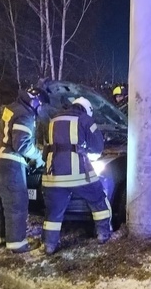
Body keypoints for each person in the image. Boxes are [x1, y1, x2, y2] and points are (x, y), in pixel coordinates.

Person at [41, 97, 112, 255]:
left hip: (53, 176)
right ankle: (103, 234)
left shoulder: (54, 119)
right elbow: (97, 148)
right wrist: (88, 155)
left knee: (54, 212)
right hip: (78, 175)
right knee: (98, 199)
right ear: (86, 109)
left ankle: (49, 245)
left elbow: (48, 146)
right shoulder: (85, 119)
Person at [0, 86, 45, 253]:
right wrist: (38, 156)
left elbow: (6, 136)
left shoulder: (12, 108)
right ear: (34, 101)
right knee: (16, 204)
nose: (40, 108)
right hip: (11, 163)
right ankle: (18, 246)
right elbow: (22, 144)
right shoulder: (26, 114)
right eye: (40, 104)